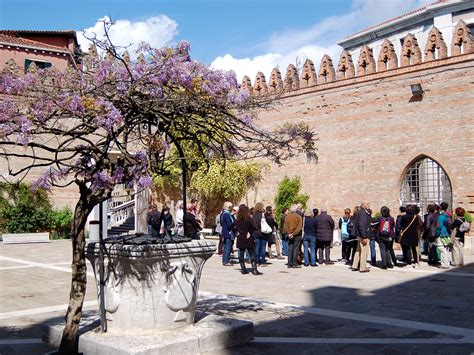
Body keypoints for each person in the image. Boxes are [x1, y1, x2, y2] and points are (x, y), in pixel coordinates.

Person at [231, 204, 262, 275]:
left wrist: (236, 231)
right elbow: (255, 227)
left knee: (241, 254)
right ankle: (254, 270)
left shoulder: (237, 220)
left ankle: (243, 269)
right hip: (248, 238)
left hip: (240, 238)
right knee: (252, 254)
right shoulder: (249, 219)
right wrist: (249, 232)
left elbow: (231, 227)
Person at [352, 201, 371, 273]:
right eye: (367, 204)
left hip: (359, 235)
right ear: (363, 205)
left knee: (358, 250)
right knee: (364, 251)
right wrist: (364, 237)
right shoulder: (363, 213)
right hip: (363, 235)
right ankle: (362, 267)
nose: (369, 205)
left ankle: (354, 265)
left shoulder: (361, 212)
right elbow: (362, 225)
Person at [283, 204, 303, 268]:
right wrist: (293, 234)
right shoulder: (299, 217)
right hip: (296, 235)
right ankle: (294, 264)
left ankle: (289, 263)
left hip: (289, 234)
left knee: (290, 249)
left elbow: (285, 227)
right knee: (295, 249)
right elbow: (299, 228)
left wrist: (289, 233)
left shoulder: (287, 217)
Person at [435, 202, 452, 269]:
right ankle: (446, 263)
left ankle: (444, 264)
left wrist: (436, 234)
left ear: (440, 207)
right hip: (447, 234)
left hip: (441, 234)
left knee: (442, 249)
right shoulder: (447, 215)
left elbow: (439, 226)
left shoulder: (441, 216)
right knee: (446, 249)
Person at [220, 201, 234, 266]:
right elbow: (229, 224)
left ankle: (224, 260)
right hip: (228, 232)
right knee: (228, 247)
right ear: (229, 207)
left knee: (225, 246)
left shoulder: (222, 213)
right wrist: (235, 223)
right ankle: (226, 261)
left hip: (224, 231)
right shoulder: (227, 214)